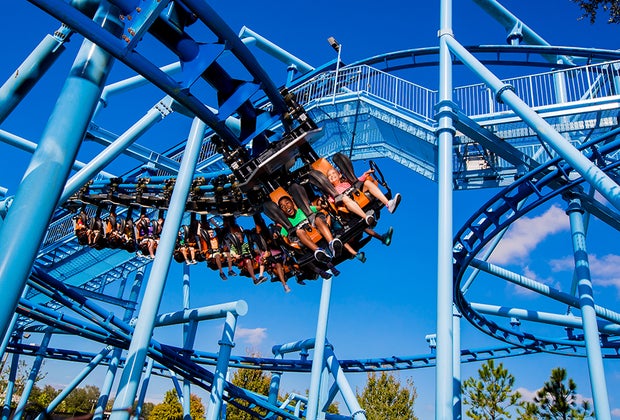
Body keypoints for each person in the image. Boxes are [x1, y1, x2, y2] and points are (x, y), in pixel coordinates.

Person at [276, 191, 342, 263]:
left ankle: (332, 243)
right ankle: (318, 251)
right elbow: (283, 237)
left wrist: (323, 205)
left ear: (292, 202)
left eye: (287, 203)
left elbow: (319, 208)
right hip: (304, 239)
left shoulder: (303, 210)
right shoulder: (287, 223)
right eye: (282, 207)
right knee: (299, 231)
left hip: (317, 230)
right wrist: (277, 236)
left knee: (317, 219)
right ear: (282, 211)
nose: (286, 207)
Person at [326, 167, 401, 225]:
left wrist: (366, 173)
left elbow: (358, 181)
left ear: (340, 175)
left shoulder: (347, 182)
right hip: (348, 206)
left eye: (333, 173)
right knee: (344, 198)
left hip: (358, 196)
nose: (332, 176)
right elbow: (332, 202)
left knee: (367, 182)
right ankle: (366, 218)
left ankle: (388, 204)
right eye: (329, 176)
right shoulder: (332, 192)